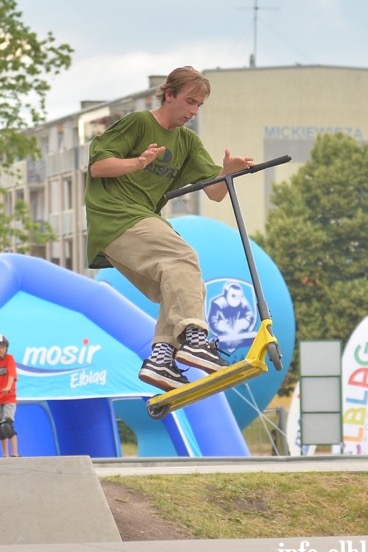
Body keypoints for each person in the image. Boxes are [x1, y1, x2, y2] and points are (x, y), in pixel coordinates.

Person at [84, 65, 255, 392]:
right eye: (189, 101)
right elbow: (98, 167)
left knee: (178, 284)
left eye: (199, 106)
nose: (193, 111)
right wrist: (137, 163)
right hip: (115, 215)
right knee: (183, 257)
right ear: (169, 94)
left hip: (130, 227)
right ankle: (195, 339)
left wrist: (228, 172)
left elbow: (215, 193)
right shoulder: (138, 124)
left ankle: (162, 359)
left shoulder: (188, 143)